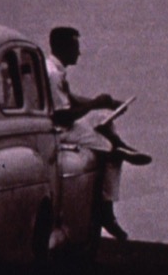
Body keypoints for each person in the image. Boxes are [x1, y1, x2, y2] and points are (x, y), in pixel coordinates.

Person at [46, 25, 150, 241]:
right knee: (109, 151)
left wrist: (107, 104)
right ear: (65, 47)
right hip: (58, 131)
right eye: (75, 46)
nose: (79, 53)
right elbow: (63, 116)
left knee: (102, 119)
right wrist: (94, 103)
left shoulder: (53, 70)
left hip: (63, 125)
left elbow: (71, 99)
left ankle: (120, 146)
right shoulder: (54, 75)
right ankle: (106, 210)